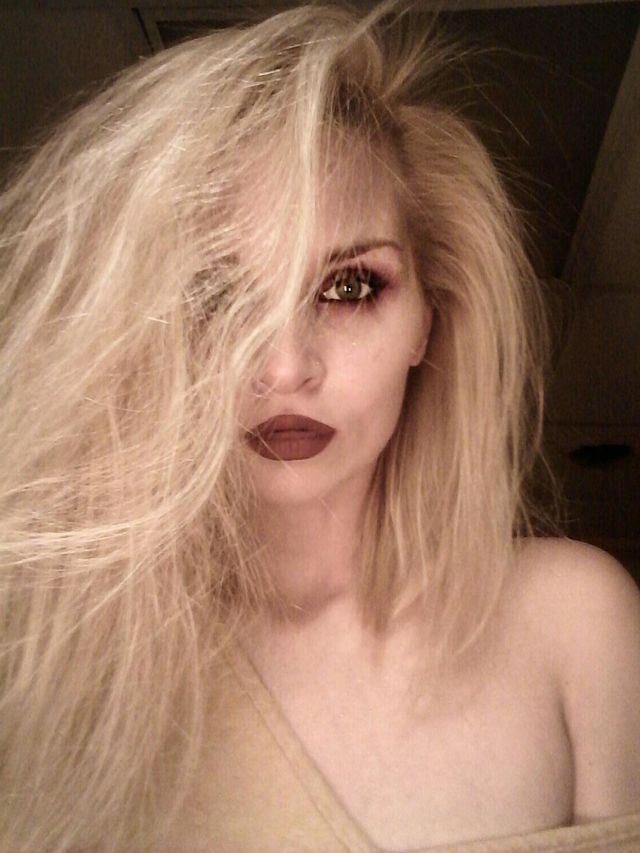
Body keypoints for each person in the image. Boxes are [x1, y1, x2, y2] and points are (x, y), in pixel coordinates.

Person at [1, 4, 639, 851]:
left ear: (426, 322)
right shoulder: (55, 666)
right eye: (213, 295)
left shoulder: (576, 623)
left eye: (349, 286)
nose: (284, 365)